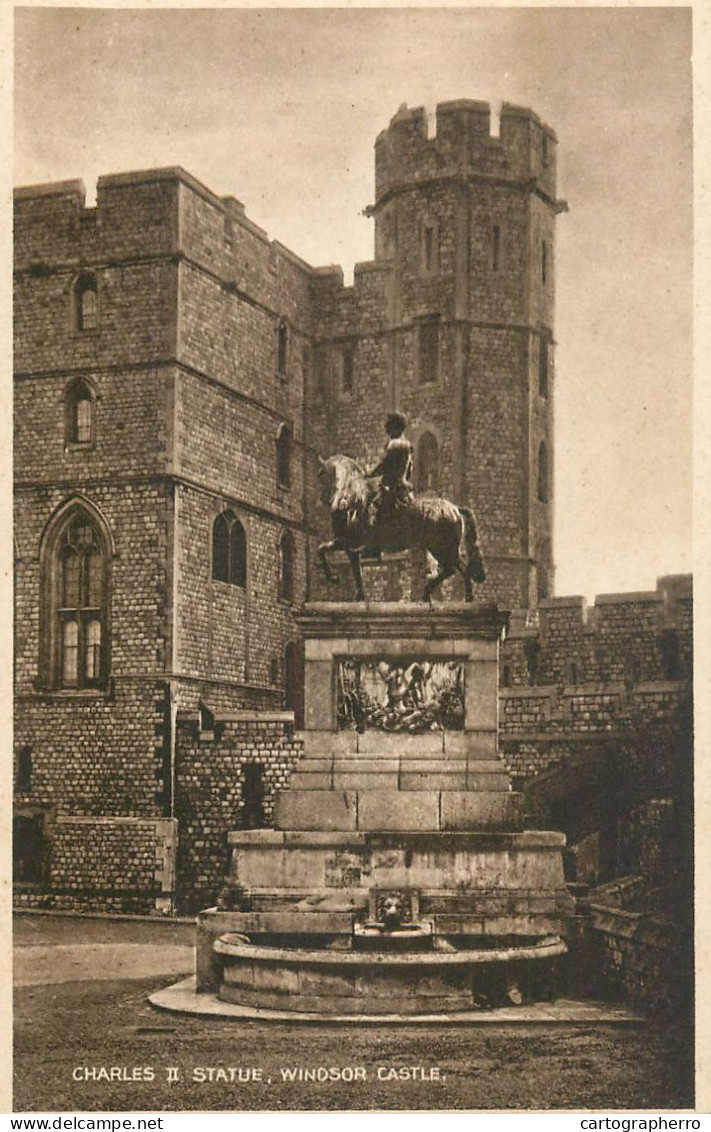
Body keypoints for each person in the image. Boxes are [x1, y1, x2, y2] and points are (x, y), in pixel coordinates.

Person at [364, 413, 414, 558]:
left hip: (392, 487)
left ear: (395, 427)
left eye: (389, 427)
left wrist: (369, 473)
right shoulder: (407, 444)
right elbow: (410, 468)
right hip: (404, 486)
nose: (387, 430)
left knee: (372, 509)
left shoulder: (395, 444)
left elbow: (384, 465)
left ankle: (374, 546)